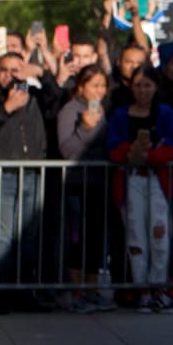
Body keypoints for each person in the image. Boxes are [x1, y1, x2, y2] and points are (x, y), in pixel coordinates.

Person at [0, 51, 61, 314]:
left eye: (16, 70)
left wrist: (40, 73)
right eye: (4, 69)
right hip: (3, 173)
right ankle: (2, 292)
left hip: (32, 172)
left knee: (29, 235)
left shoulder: (33, 96)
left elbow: (56, 97)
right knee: (4, 234)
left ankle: (25, 291)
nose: (10, 76)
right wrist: (6, 109)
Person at [106, 68, 173, 312]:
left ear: (155, 87)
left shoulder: (165, 113)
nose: (142, 90)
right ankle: (142, 290)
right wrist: (130, 152)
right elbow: (113, 148)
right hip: (131, 181)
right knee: (136, 236)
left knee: (159, 235)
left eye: (147, 85)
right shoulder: (120, 115)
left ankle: (159, 288)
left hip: (158, 182)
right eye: (138, 85)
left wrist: (147, 155)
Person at [57, 64, 117, 312]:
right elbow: (67, 149)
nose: (99, 91)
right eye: (94, 85)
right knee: (77, 238)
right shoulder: (70, 110)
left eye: (102, 86)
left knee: (95, 239)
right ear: (81, 86)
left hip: (100, 183)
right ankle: (77, 291)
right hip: (75, 185)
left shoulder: (105, 110)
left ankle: (92, 291)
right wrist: (84, 128)